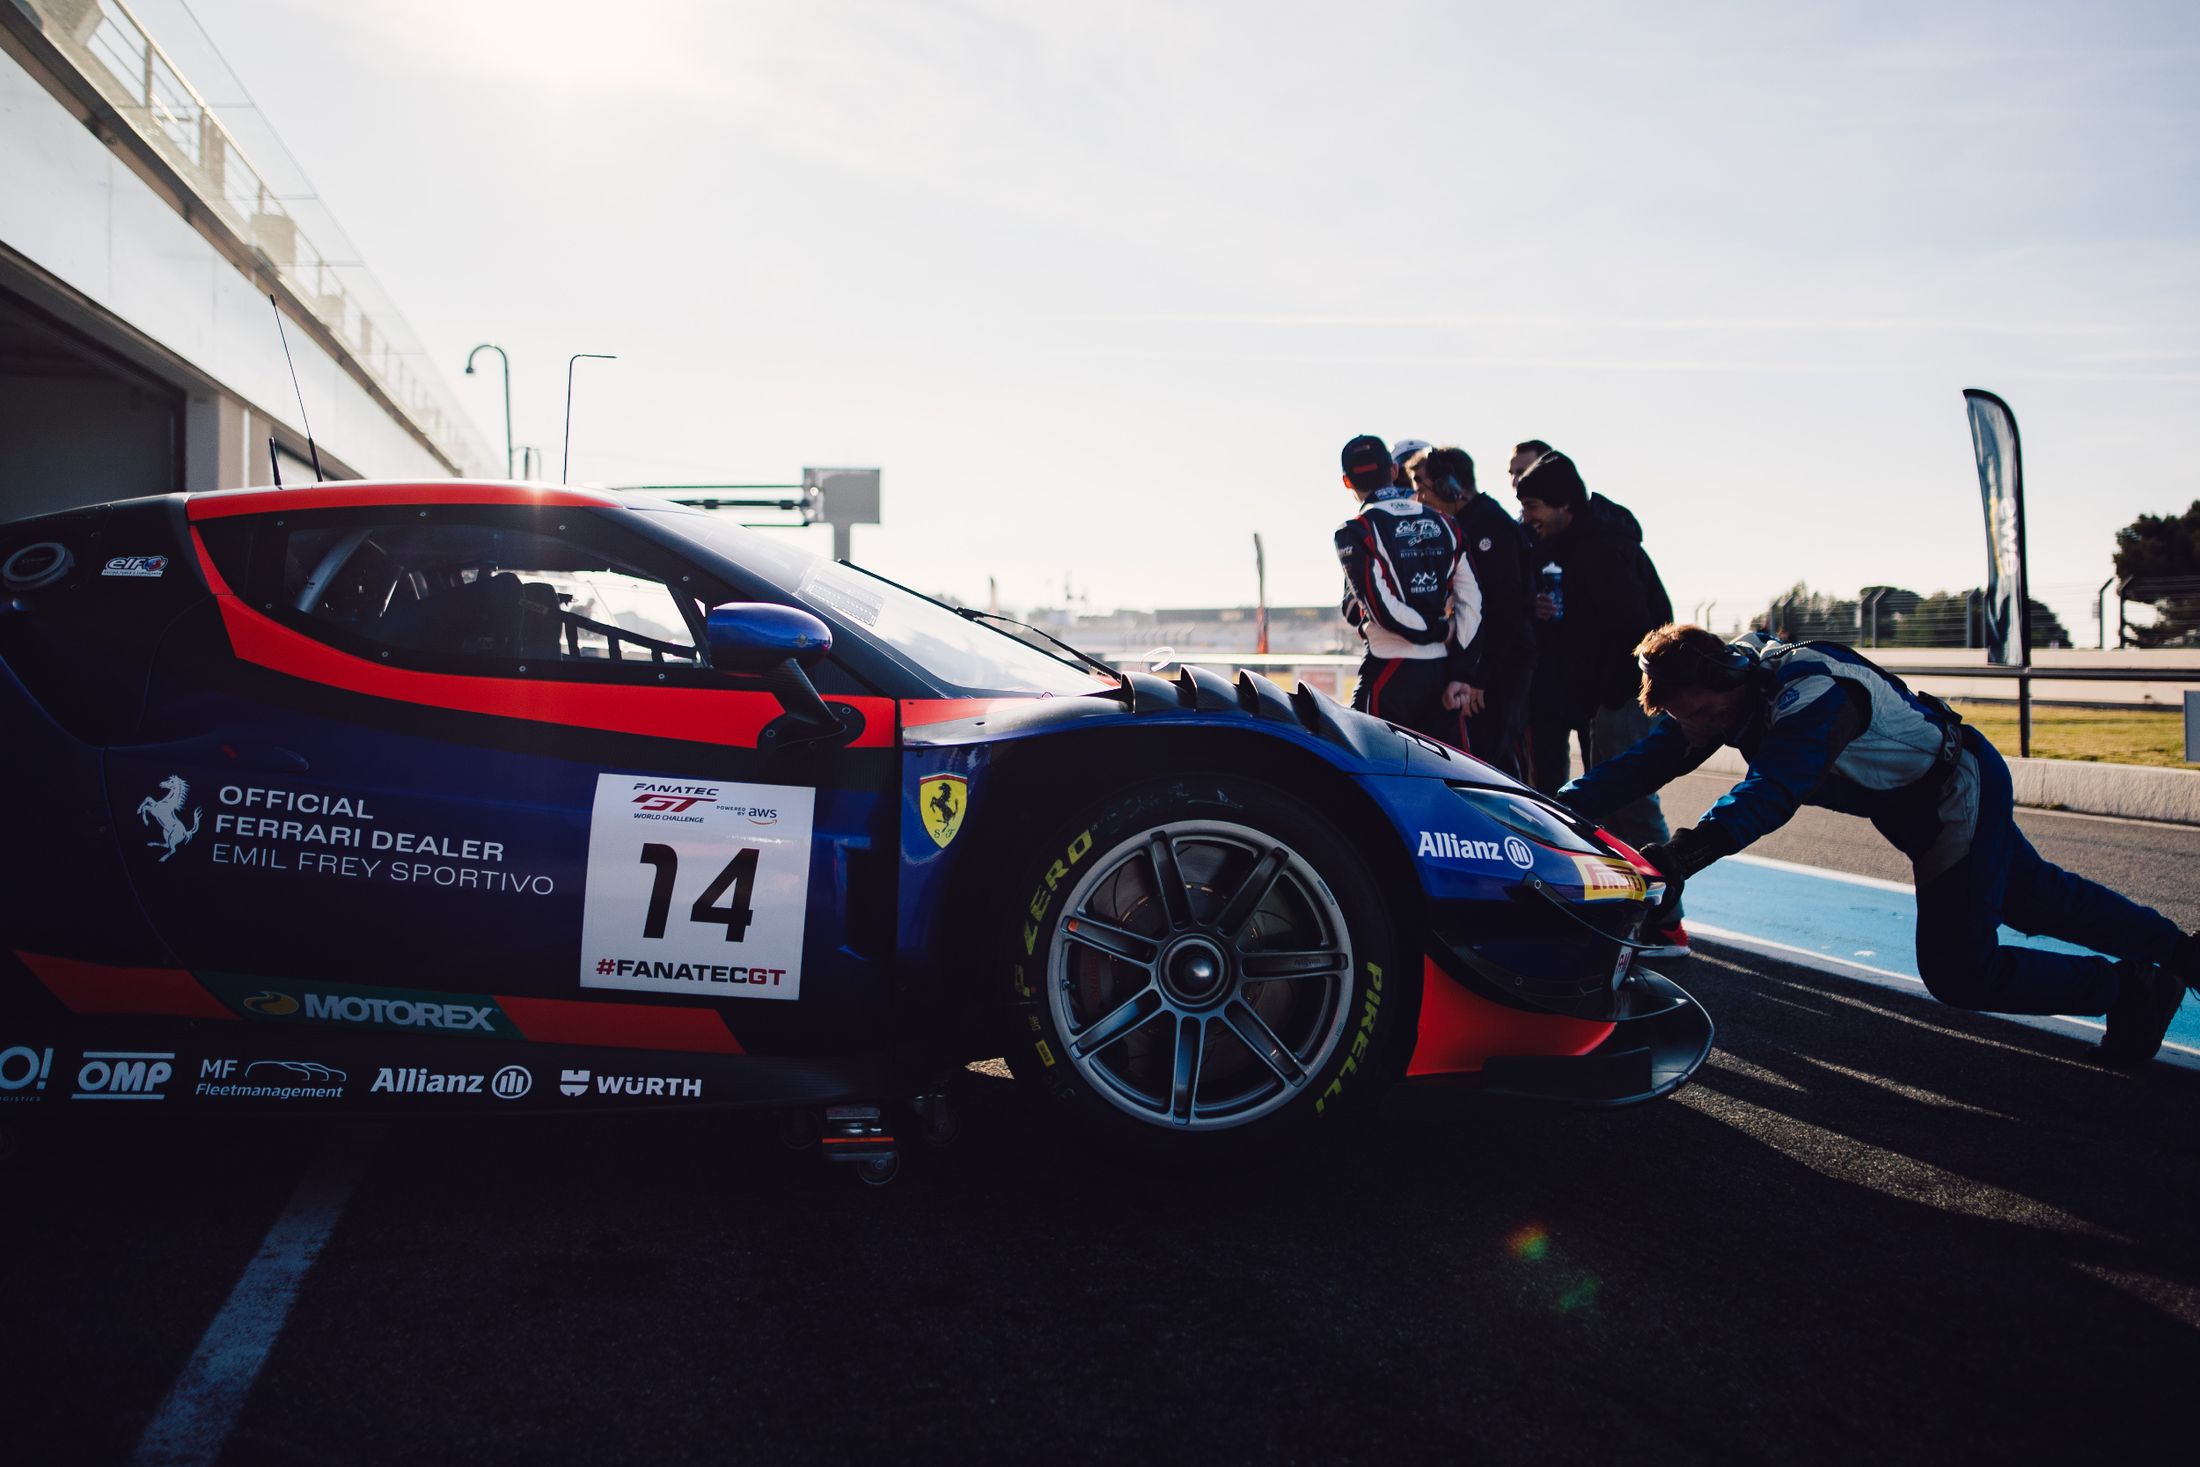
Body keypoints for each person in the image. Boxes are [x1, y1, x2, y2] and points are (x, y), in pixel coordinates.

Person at [1560, 624, 2197, 1067]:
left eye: (1699, 715)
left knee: (1960, 971)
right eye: (1683, 719)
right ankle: (2178, 955)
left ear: (1728, 680)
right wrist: (1546, 806)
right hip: (1917, 799)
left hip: (1953, 789)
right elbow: (1639, 766)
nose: (1694, 730)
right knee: (2032, 899)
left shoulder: (1812, 693)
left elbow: (1772, 790)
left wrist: (1682, 855)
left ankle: (2134, 990)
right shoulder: (1716, 695)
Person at [1512, 446, 1684, 953]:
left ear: (1564, 504)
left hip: (1624, 696)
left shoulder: (1605, 547)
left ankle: (1667, 919)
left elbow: (1635, 626)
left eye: (1533, 507)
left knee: (1631, 805)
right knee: (1607, 810)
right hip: (1598, 696)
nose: (1527, 519)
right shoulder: (1567, 543)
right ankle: (1627, 914)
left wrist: (1607, 691)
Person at [1334, 434, 1481, 746]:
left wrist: (1435, 631)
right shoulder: (1446, 523)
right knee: (1451, 775)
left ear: (1347, 481)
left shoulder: (1356, 531)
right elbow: (1473, 603)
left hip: (1390, 670)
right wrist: (1461, 671)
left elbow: (1382, 610)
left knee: (1374, 772)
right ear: (1393, 471)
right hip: (1443, 672)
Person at [1411, 446, 1535, 777]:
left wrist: (1478, 677)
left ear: (1451, 486)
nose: (1419, 497)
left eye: (1424, 487)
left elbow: (1503, 608)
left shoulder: (1489, 526)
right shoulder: (1460, 525)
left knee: (1489, 767)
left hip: (1496, 673)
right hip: (1481, 670)